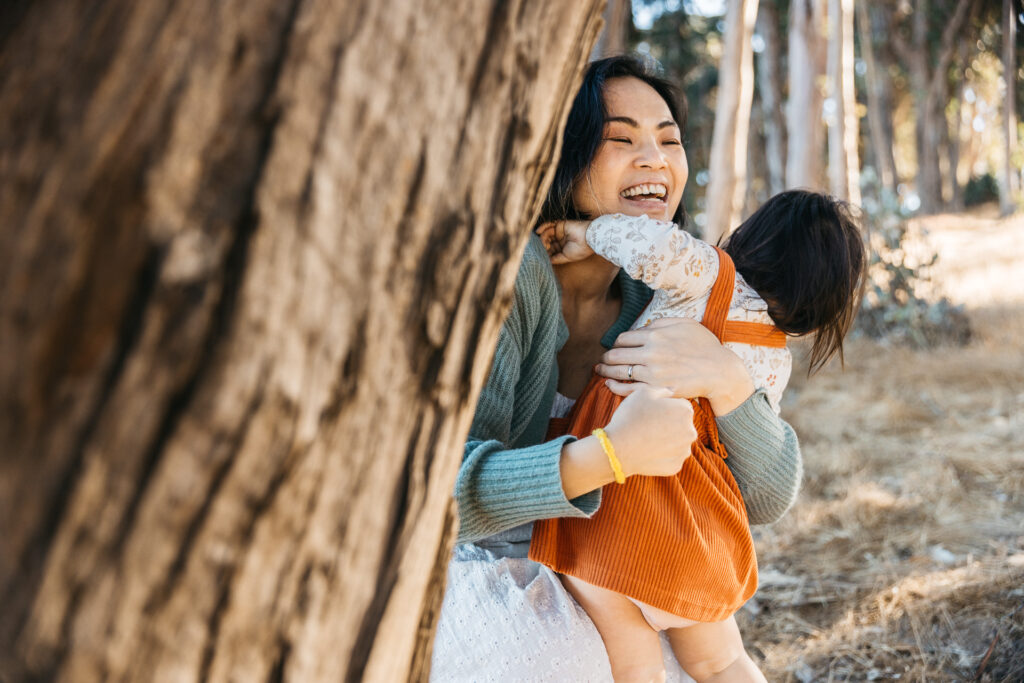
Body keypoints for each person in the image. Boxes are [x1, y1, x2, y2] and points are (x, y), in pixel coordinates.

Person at [431, 56, 803, 682]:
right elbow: (435, 499)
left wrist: (725, 380)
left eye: (670, 141)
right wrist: (608, 455)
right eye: (621, 139)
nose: (656, 159)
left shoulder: (672, 297)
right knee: (560, 667)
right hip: (468, 562)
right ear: (561, 153)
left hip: (607, 563)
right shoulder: (503, 276)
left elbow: (767, 496)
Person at [530, 189, 866, 682]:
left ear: (752, 240)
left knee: (634, 660)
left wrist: (584, 235)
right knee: (722, 661)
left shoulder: (707, 272)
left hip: (618, 509)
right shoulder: (775, 358)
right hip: (696, 527)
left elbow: (647, 243)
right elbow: (745, 448)